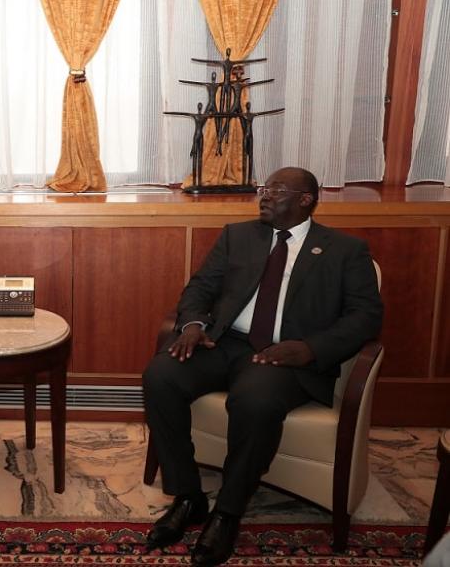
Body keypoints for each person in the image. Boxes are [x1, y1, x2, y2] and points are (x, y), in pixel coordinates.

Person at [142, 167, 383, 567]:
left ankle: (228, 512)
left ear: (305, 200)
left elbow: (366, 317)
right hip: (223, 342)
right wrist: (193, 325)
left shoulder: (345, 250)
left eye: (276, 190)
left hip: (284, 356)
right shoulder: (238, 236)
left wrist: (309, 349)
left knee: (254, 402)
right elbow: (201, 287)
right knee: (161, 375)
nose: (265, 196)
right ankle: (188, 497)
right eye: (264, 189)